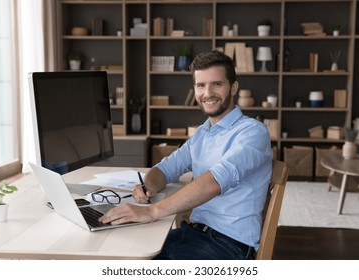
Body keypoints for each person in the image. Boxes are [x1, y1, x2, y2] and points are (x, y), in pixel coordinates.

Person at [99, 50, 273, 260]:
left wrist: (152, 211)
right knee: (120, 251)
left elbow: (214, 181)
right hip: (192, 234)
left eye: (216, 84)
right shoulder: (202, 133)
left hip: (228, 246)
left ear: (233, 87)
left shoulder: (252, 132)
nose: (207, 93)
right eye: (201, 85)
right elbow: (165, 168)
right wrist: (149, 186)